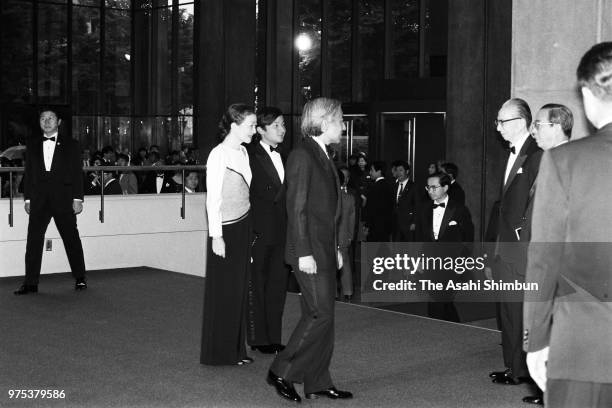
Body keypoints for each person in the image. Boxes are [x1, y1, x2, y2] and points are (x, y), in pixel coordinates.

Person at [523, 42, 612, 408]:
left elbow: (544, 259)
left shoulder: (565, 162)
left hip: (585, 344)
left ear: (589, 94)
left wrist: (536, 340)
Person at [267, 97, 352, 403]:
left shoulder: (321, 153)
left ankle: (317, 381)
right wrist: (304, 253)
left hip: (324, 249)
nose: (343, 126)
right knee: (320, 314)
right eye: (340, 120)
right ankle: (282, 370)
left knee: (324, 317)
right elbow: (297, 208)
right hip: (309, 252)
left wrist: (335, 247)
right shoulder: (303, 155)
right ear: (325, 120)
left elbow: (325, 211)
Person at [516, 104, 573, 406]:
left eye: (538, 124)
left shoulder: (568, 162)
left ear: (556, 126)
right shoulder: (546, 159)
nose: (534, 130)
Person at [486, 98, 542, 386]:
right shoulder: (514, 154)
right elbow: (503, 207)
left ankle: (522, 371)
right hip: (503, 249)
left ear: (521, 122)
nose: (497, 127)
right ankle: (512, 367)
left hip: (520, 250)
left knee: (519, 312)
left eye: (502, 122)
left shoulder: (536, 156)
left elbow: (540, 206)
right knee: (507, 312)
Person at [200, 103, 256, 366]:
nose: (254, 131)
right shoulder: (218, 154)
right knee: (223, 290)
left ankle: (236, 350)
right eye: (251, 126)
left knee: (239, 289)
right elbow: (213, 199)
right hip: (226, 229)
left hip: (243, 225)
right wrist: (216, 235)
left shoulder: (244, 152)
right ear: (234, 126)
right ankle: (219, 352)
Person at [15, 109, 87, 295]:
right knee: (33, 241)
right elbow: (29, 174)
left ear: (59, 121)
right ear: (39, 122)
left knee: (71, 239)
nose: (46, 121)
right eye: (43, 118)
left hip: (63, 199)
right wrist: (28, 198)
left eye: (51, 118)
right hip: (38, 200)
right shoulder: (32, 144)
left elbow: (77, 174)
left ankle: (80, 278)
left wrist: (78, 199)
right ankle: (30, 283)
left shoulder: (72, 144)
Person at [246, 106, 290, 355]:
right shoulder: (249, 154)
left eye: (283, 125)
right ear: (260, 130)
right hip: (260, 231)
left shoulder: (283, 155)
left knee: (277, 286)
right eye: (276, 126)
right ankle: (258, 339)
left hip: (282, 232)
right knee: (257, 285)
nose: (282, 130)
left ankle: (273, 337)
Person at [415, 172, 473, 322]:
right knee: (441, 299)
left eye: (434, 187)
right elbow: (420, 237)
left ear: (446, 187)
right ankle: (454, 326)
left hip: (451, 262)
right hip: (430, 261)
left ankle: (437, 329)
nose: (430, 191)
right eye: (428, 187)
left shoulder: (459, 209)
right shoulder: (423, 209)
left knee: (438, 299)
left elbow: (468, 238)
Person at [337, 166, 356, 301]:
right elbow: (352, 220)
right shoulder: (349, 198)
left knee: (329, 265)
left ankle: (333, 293)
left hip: (329, 236)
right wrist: (350, 236)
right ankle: (348, 291)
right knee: (345, 263)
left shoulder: (326, 197)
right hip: (344, 236)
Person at [363, 160, 394, 242]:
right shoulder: (390, 185)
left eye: (372, 170)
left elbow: (371, 209)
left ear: (379, 171)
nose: (370, 172)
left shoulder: (374, 187)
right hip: (387, 226)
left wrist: (367, 226)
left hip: (375, 227)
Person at [392, 160, 418, 242]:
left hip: (409, 224)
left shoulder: (414, 187)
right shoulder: (394, 186)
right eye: (397, 170)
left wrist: (414, 222)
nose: (398, 173)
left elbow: (417, 206)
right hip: (396, 224)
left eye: (401, 170)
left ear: (407, 171)